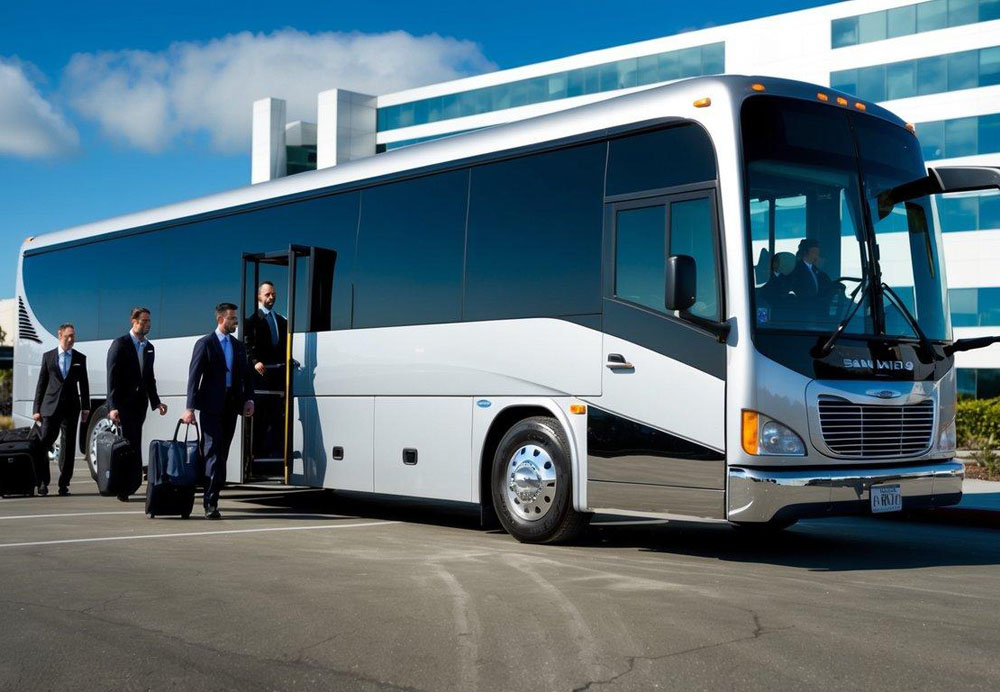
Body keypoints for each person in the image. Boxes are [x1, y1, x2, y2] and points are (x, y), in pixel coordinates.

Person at [182, 303, 254, 519]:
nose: (236, 322)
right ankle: (210, 503)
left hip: (231, 407)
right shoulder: (205, 344)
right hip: (211, 407)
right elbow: (194, 377)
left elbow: (246, 375)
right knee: (213, 452)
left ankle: (213, 493)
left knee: (222, 454)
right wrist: (189, 408)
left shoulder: (238, 346)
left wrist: (249, 399)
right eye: (233, 318)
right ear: (221, 319)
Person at [106, 307, 168, 501]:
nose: (147, 325)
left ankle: (131, 484)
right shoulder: (120, 344)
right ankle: (123, 487)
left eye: (149, 321)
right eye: (143, 321)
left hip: (139, 404)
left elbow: (149, 377)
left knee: (136, 443)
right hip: (123, 404)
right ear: (133, 321)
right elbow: (112, 377)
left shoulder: (149, 347)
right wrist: (112, 407)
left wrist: (156, 402)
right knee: (128, 444)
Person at [32, 323, 90, 496]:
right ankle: (42, 482)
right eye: (68, 336)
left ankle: (64, 483)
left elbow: (84, 385)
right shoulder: (48, 357)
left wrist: (86, 407)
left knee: (68, 446)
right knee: (44, 443)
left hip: (71, 408)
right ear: (60, 335)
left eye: (73, 336)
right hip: (49, 408)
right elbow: (41, 384)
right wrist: (36, 409)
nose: (71, 339)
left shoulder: (80, 358)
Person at [243, 281, 287, 464]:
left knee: (277, 418)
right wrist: (255, 362)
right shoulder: (253, 321)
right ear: (259, 297)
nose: (271, 297)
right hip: (261, 378)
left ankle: (274, 455)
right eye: (268, 294)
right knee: (260, 420)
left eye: (273, 294)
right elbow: (247, 346)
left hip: (278, 378)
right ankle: (256, 457)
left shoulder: (282, 320)